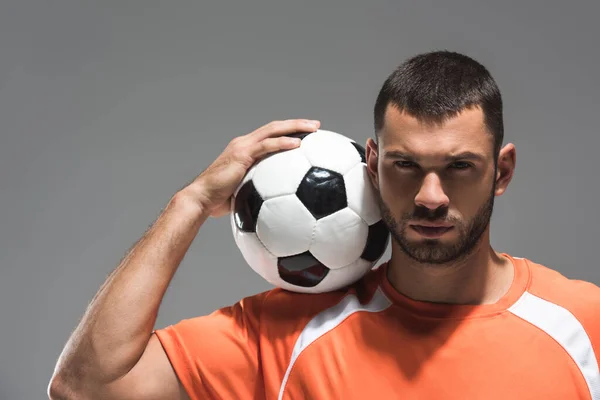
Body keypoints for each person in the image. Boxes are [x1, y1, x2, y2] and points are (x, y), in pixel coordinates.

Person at [48, 51, 600, 400]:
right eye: (405, 165)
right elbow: (86, 387)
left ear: (500, 171)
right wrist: (189, 202)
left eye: (459, 167)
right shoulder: (286, 333)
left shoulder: (583, 324)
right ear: (372, 165)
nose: (431, 197)